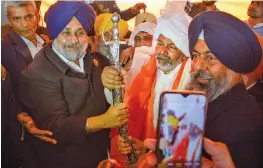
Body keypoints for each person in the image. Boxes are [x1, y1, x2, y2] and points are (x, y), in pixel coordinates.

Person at [19, 2, 128, 168]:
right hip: (63, 159)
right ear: (55, 34)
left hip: (99, 153)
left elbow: (114, 98)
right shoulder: (37, 72)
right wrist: (104, 121)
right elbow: (54, 125)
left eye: (79, 32)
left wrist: (110, 81)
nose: (74, 40)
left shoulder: (95, 59)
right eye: (66, 32)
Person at [186, 11, 262, 168]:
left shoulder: (240, 127)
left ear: (234, 65)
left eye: (211, 57)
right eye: (195, 56)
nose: (198, 66)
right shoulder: (212, 100)